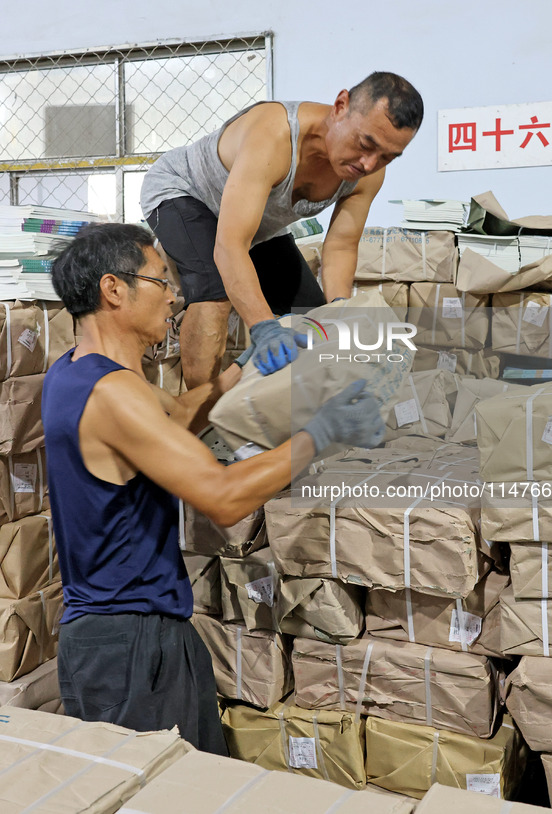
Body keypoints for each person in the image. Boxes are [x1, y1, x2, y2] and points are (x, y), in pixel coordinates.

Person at [41, 222, 386, 753]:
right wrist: (320, 434)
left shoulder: (76, 372)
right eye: (161, 281)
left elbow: (175, 415)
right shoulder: (114, 395)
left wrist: (241, 370)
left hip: (129, 632)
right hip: (132, 642)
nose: (175, 299)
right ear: (114, 289)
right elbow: (223, 499)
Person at [140, 71, 423, 386]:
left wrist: (339, 310)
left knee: (311, 317)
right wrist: (264, 327)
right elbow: (230, 246)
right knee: (214, 290)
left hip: (256, 222)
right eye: (365, 143)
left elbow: (341, 246)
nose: (369, 163)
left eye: (387, 157)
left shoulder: (368, 174)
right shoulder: (274, 133)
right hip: (185, 193)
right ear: (341, 105)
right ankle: (198, 417)